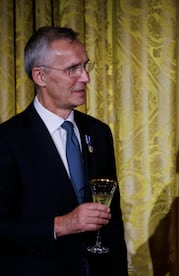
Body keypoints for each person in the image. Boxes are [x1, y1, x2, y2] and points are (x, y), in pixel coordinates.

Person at [0, 27, 128, 275]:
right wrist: (60, 225)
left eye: (85, 66)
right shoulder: (7, 140)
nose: (85, 78)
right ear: (40, 76)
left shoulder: (99, 132)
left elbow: (113, 220)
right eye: (72, 69)